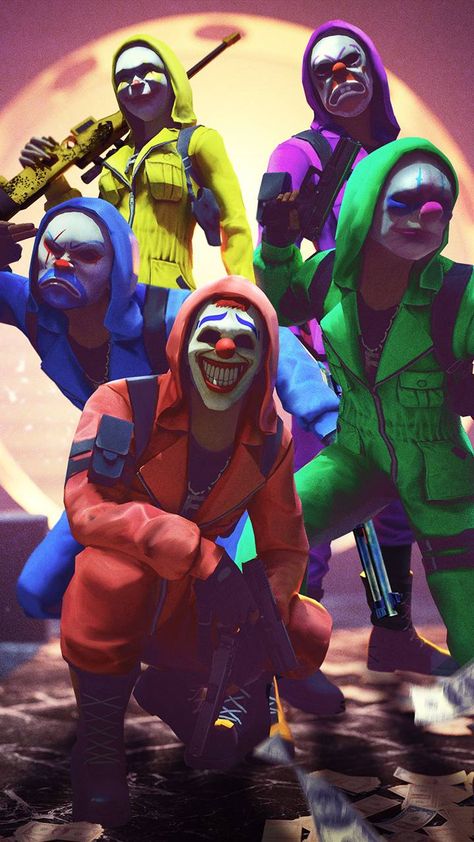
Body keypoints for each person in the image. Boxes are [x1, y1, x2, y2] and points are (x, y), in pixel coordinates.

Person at [61, 276, 332, 825]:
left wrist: (261, 610)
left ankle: (174, 685)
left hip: (198, 610)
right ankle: (99, 754)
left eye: (244, 340)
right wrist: (201, 556)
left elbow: (284, 547)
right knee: (112, 575)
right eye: (209, 335)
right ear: (182, 343)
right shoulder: (123, 403)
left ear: (264, 358)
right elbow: (88, 507)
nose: (225, 348)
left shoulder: (271, 441)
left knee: (300, 632)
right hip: (124, 595)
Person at [0, 199, 339, 622]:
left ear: (118, 263)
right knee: (38, 592)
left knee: (227, 602)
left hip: (203, 474)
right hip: (119, 478)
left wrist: (322, 412)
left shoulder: (160, 313)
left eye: (86, 254)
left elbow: (267, 332)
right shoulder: (36, 311)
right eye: (52, 249)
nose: (63, 264)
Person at [254, 23, 452, 712]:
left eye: (351, 61)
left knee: (395, 495)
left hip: (397, 348)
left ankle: (391, 633)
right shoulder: (306, 151)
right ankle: (289, 653)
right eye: (325, 70)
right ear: (312, 87)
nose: (341, 75)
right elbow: (275, 236)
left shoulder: (399, 157)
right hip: (330, 348)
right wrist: (278, 231)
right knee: (312, 504)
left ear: (373, 67)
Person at [20, 35, 255, 289]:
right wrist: (54, 183)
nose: (135, 82)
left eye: (147, 71)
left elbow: (234, 223)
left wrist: (245, 292)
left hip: (166, 293)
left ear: (172, 77)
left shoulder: (196, 142)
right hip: (108, 292)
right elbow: (86, 229)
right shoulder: (116, 158)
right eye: (124, 77)